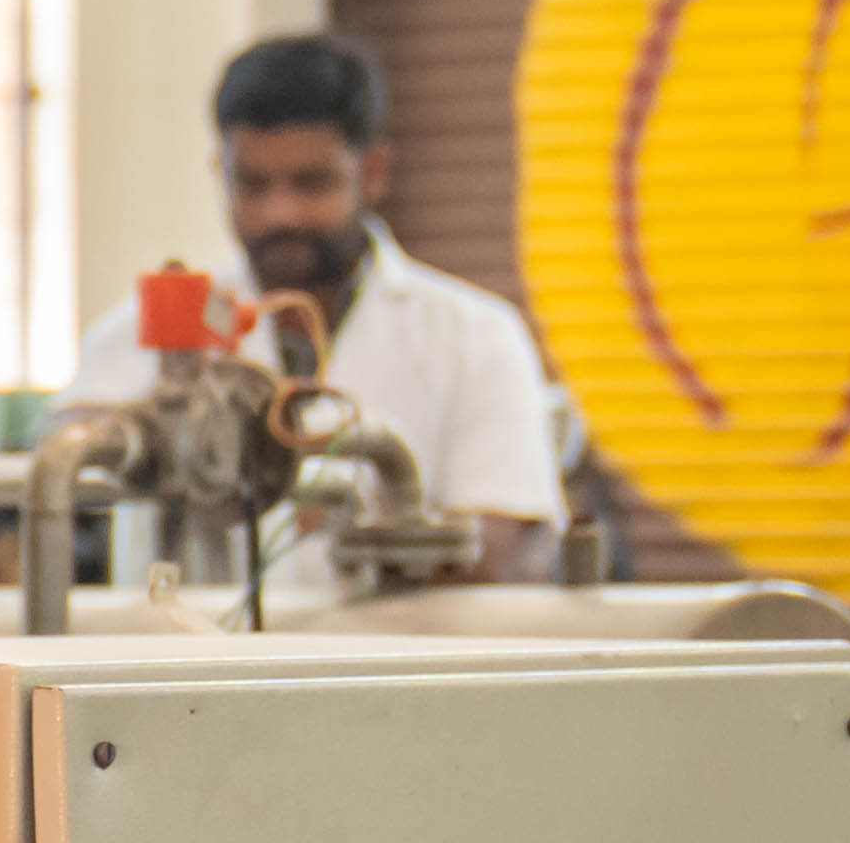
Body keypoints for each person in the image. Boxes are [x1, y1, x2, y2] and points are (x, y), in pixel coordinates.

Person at [63, 30, 563, 595]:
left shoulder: (474, 338)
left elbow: (493, 554)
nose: (281, 214)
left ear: (372, 172)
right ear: (219, 172)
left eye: (312, 183)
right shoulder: (140, 335)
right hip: (181, 668)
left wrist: (361, 535)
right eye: (252, 184)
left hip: (389, 670)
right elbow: (64, 464)